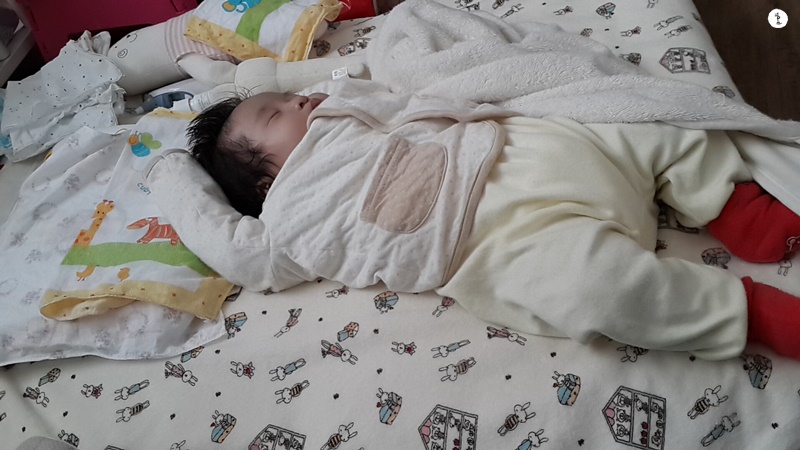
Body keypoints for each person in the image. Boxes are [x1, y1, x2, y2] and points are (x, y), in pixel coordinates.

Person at [152, 81, 800, 362]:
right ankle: (752, 314)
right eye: (274, 113)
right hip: (498, 244)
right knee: (593, 291)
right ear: (265, 183)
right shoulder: (287, 223)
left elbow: (402, 89)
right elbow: (232, 248)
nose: (297, 100)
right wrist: (169, 172)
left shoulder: (346, 105)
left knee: (637, 120)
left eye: (288, 97)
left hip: (519, 151)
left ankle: (733, 206)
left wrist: (265, 81)